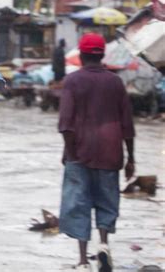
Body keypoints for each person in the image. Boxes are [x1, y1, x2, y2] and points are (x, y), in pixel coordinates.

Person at [58, 33, 135, 272]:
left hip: (79, 150)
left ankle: (82, 260)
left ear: (81, 55)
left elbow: (66, 123)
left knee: (79, 204)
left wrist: (69, 152)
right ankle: (103, 244)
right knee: (106, 202)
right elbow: (127, 123)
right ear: (102, 55)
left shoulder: (72, 81)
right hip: (111, 152)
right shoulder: (115, 82)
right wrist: (131, 158)